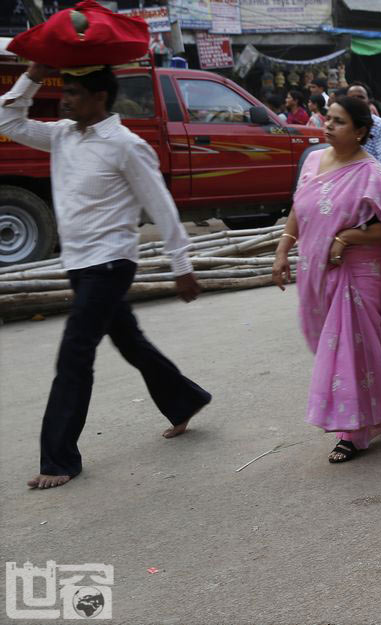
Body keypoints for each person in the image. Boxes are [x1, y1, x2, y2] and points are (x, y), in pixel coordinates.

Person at [0, 63, 211, 489]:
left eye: (75, 92)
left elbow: (161, 205)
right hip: (78, 263)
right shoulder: (61, 134)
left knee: (75, 353)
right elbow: (7, 120)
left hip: (111, 263)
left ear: (99, 97)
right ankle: (185, 399)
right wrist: (35, 74)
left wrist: (182, 265)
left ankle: (59, 459)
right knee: (129, 340)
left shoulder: (126, 145)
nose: (66, 99)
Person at [272, 96, 381, 463]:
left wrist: (347, 237)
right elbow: (299, 208)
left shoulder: (371, 174)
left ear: (361, 131)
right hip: (317, 272)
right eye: (329, 119)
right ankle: (375, 414)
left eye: (338, 122)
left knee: (353, 352)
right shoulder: (315, 160)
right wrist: (283, 248)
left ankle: (353, 431)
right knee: (336, 350)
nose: (328, 126)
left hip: (359, 274)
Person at [347, 82, 381, 171]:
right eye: (352, 98)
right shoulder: (341, 123)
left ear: (369, 101)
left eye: (361, 97)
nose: (357, 101)